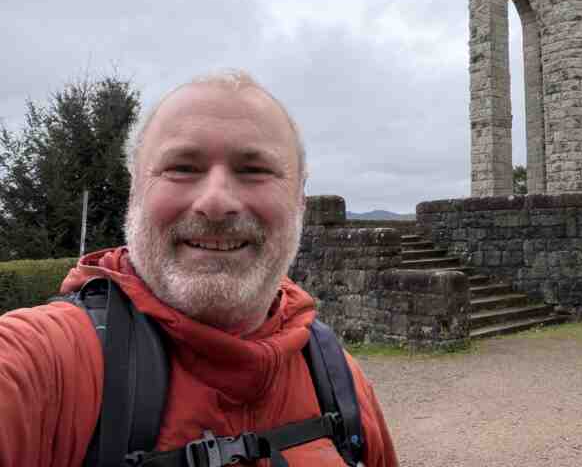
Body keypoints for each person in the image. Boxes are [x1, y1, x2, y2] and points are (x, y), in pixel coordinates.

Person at [0, 71, 399, 467]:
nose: (216, 202)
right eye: (183, 167)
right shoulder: (42, 365)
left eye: (255, 170)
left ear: (300, 200)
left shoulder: (338, 379)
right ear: (135, 190)